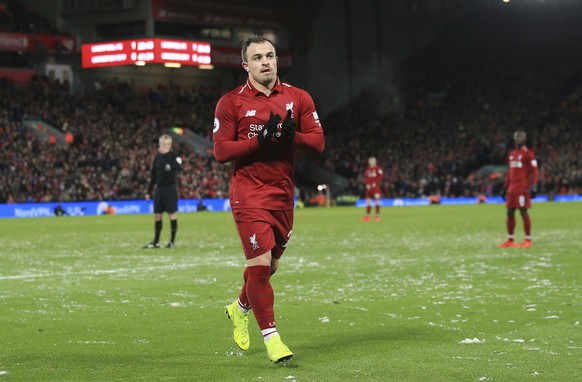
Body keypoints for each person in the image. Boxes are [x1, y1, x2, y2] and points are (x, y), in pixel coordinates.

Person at [213, 35, 325, 363]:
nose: (266, 62)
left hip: (282, 195)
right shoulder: (230, 102)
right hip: (248, 193)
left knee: (270, 266)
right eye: (258, 57)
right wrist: (259, 140)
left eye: (271, 56)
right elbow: (221, 151)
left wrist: (294, 137)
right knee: (259, 266)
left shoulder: (298, 97)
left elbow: (318, 144)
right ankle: (273, 339)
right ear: (245, 65)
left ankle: (239, 308)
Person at [499, 130, 539, 248]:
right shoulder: (512, 154)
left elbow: (534, 171)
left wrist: (534, 185)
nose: (519, 139)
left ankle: (528, 239)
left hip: (522, 188)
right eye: (517, 137)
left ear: (525, 139)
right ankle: (510, 240)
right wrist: (504, 187)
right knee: (510, 212)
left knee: (523, 211)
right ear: (514, 138)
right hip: (512, 189)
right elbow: (509, 173)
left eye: (521, 137)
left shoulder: (528, 153)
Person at [144, 134, 182, 249]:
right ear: (160, 144)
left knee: (172, 215)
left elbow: (177, 167)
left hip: (170, 188)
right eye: (164, 144)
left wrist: (167, 156)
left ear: (170, 145)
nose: (166, 146)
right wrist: (148, 192)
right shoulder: (157, 158)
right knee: (157, 215)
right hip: (159, 190)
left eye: (168, 144)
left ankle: (172, 242)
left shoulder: (174, 157)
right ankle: (156, 242)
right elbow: (153, 177)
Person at [361, 156, 384, 221]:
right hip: (369, 188)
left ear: (375, 162)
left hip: (375, 188)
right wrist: (367, 184)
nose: (371, 162)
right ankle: (367, 216)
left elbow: (381, 176)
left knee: (377, 201)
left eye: (373, 161)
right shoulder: (367, 169)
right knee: (368, 202)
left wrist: (375, 183)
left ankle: (377, 216)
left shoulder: (378, 168)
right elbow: (365, 177)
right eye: (370, 161)